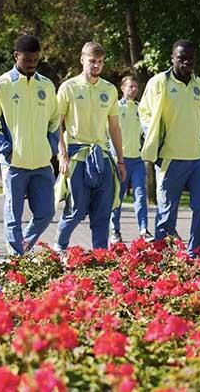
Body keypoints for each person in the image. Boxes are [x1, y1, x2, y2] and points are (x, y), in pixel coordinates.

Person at [139, 39, 200, 257]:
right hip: (170, 158)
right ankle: (162, 259)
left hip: (198, 158)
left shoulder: (199, 84)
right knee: (166, 214)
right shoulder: (158, 83)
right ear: (172, 58)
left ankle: (195, 257)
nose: (187, 62)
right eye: (182, 58)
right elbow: (144, 112)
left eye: (190, 58)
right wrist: (154, 138)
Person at [0, 34, 60, 256]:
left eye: (36, 60)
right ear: (16, 56)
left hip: (41, 163)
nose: (32, 64)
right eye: (28, 59)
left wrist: (50, 146)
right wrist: (4, 150)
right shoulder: (1, 86)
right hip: (14, 164)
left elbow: (55, 121)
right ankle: (17, 257)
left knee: (46, 213)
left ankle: (23, 245)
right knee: (13, 217)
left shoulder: (46, 86)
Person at [53, 42, 126, 251]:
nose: (96, 65)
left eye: (100, 62)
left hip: (102, 155)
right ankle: (59, 247)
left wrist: (120, 160)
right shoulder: (69, 87)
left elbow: (114, 127)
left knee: (103, 211)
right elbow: (57, 124)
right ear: (82, 59)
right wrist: (62, 155)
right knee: (76, 208)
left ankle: (100, 253)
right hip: (77, 153)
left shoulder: (109, 89)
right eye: (92, 61)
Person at [110, 76, 153, 243]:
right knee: (117, 197)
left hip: (137, 161)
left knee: (141, 196)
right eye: (130, 87)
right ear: (122, 88)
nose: (133, 89)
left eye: (136, 87)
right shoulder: (115, 107)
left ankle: (143, 230)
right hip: (119, 160)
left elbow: (147, 131)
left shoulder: (140, 108)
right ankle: (115, 231)